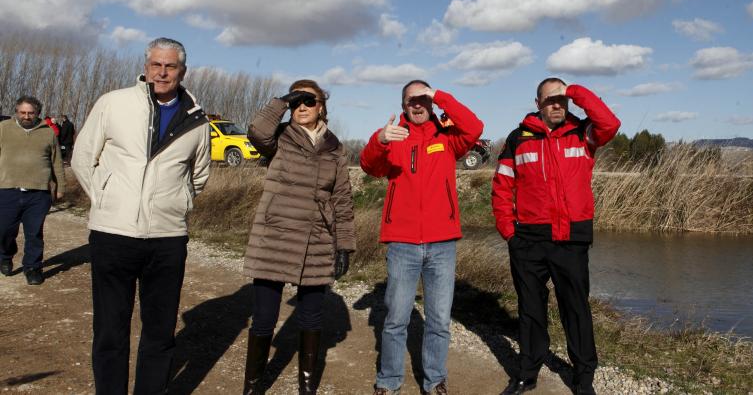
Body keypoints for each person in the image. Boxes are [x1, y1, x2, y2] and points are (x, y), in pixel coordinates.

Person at [72, 37, 211, 394]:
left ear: (183, 70)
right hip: (112, 234)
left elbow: (198, 176)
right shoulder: (113, 104)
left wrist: (173, 203)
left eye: (170, 66)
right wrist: (107, 199)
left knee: (160, 332)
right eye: (155, 65)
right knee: (110, 330)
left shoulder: (197, 120)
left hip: (167, 239)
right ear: (145, 66)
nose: (162, 73)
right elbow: (83, 157)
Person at [491, 78, 620, 395]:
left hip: (571, 240)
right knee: (530, 309)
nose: (557, 105)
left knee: (575, 310)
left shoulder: (585, 132)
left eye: (562, 99)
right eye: (551, 100)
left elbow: (611, 123)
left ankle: (584, 376)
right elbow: (502, 187)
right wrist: (509, 231)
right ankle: (526, 374)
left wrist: (574, 91)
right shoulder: (518, 138)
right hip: (528, 241)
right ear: (537, 103)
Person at [360, 80, 483, 395]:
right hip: (402, 243)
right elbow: (369, 166)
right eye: (410, 100)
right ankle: (388, 381)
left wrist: (441, 96)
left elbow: (475, 128)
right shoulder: (393, 137)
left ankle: (435, 380)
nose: (417, 104)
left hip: (442, 243)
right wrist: (379, 139)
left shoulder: (448, 138)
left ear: (431, 102)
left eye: (423, 98)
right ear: (403, 106)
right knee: (396, 320)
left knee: (439, 320)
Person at [241, 79, 356, 395]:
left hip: (317, 239)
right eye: (297, 102)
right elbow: (256, 130)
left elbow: (342, 199)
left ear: (322, 107)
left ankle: (307, 387)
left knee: (311, 318)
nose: (302, 107)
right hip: (274, 237)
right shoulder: (279, 138)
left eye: (310, 100)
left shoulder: (335, 148)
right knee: (264, 318)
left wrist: (344, 244)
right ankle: (252, 387)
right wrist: (281, 99)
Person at [0, 96, 65, 285]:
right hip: (7, 190)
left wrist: (60, 186)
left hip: (38, 193)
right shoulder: (4, 129)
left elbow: (56, 161)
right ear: (17, 112)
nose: (26, 116)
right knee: (4, 231)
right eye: (23, 112)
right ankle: (5, 256)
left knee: (34, 233)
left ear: (37, 113)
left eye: (30, 113)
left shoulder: (48, 133)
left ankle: (32, 267)